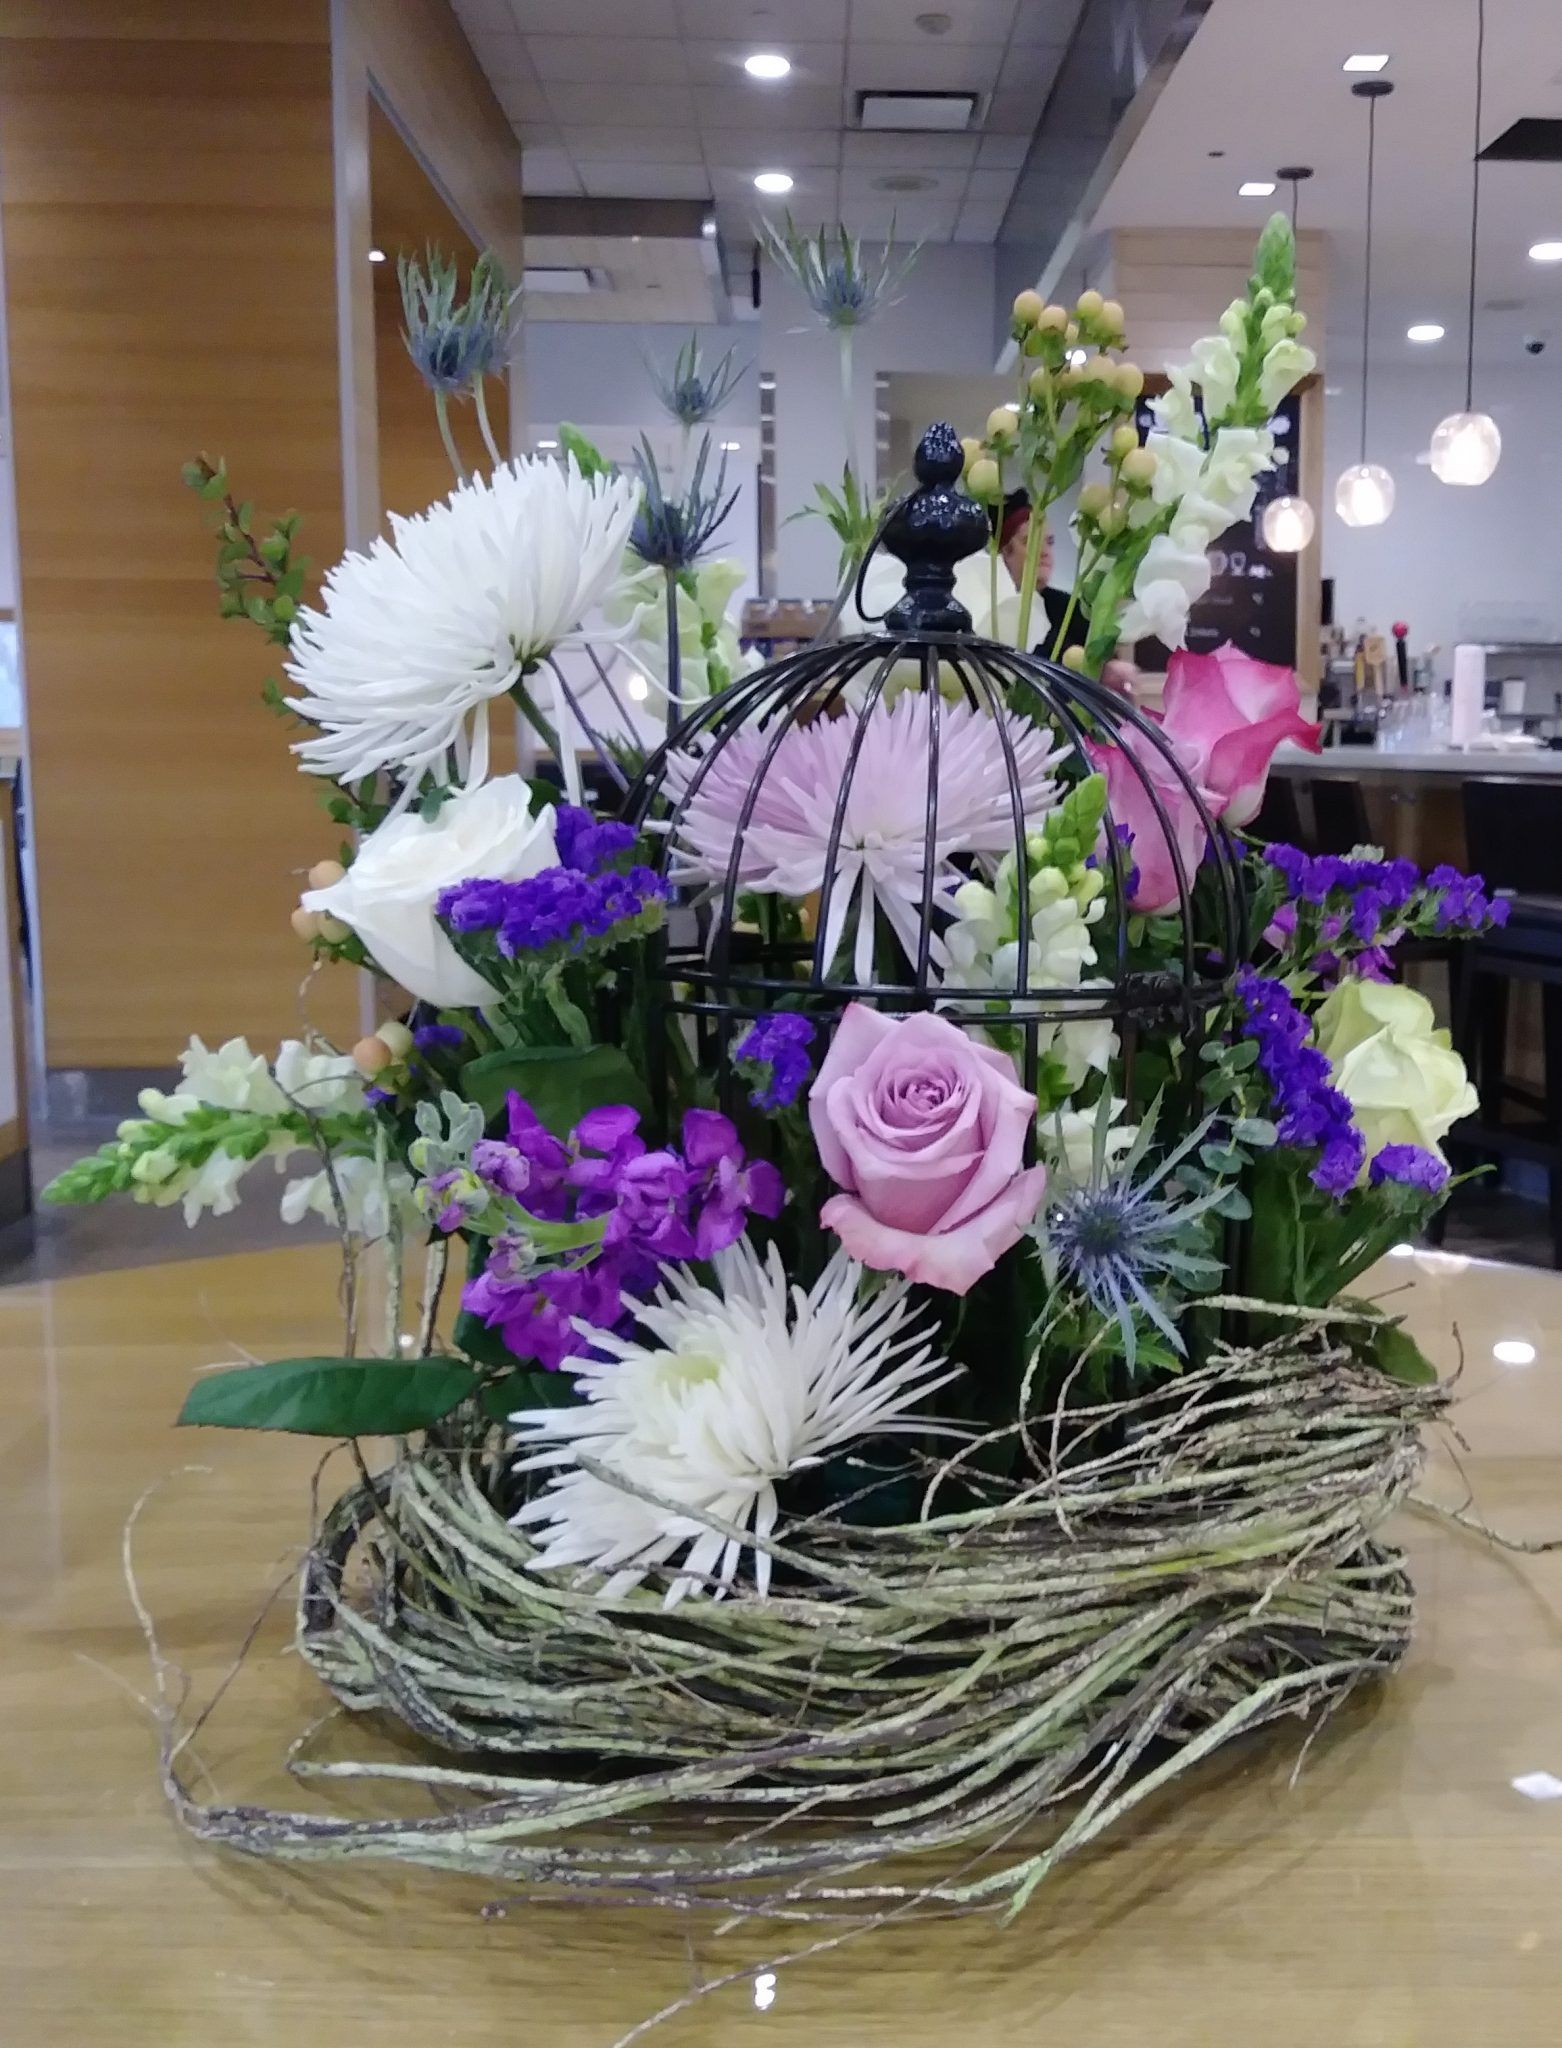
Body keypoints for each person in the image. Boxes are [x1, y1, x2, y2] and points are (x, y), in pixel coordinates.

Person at [996, 490, 1137, 695]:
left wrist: (1110, 672)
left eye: (1049, 542)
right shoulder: (989, 612)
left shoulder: (1072, 609)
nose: (1044, 552)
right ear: (1003, 552)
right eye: (1030, 542)